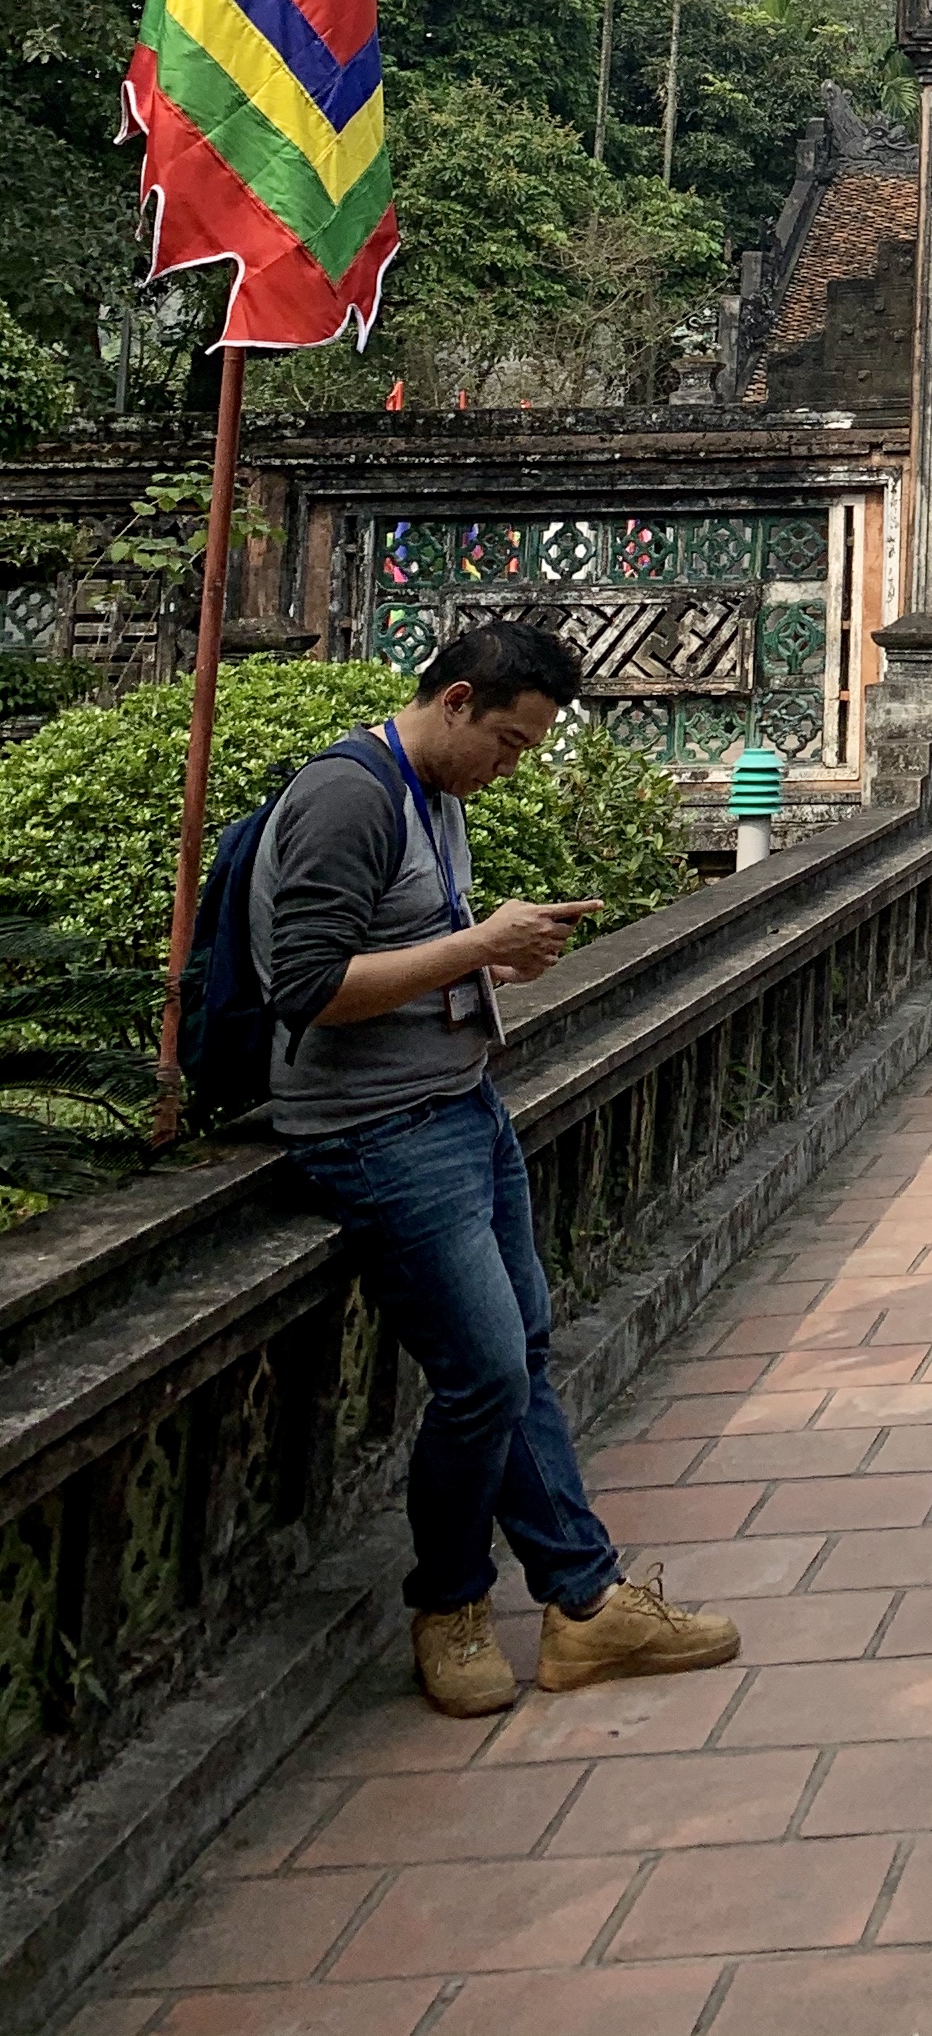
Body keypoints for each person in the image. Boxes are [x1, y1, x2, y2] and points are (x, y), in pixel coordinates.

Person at [251, 619, 743, 1720]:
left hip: (459, 1106)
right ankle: (450, 1603)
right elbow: (308, 986)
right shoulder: (350, 796)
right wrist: (479, 946)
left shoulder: (434, 795)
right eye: (510, 743)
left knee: (520, 1356)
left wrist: (492, 963)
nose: (510, 768)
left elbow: (397, 955)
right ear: (458, 700)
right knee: (483, 1373)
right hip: (376, 1132)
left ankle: (584, 1603)